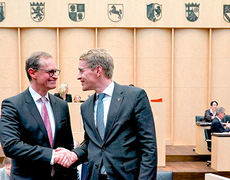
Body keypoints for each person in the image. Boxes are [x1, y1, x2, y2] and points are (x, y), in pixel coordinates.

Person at [61, 48, 158, 179]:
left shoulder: (134, 97)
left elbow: (149, 147)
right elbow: (92, 144)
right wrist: (75, 154)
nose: (78, 76)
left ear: (98, 70)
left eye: (81, 71)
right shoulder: (86, 106)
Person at [0, 51, 77, 179]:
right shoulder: (13, 105)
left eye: (56, 72)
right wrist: (51, 155)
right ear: (32, 73)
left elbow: (68, 146)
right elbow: (11, 146)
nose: (55, 76)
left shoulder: (61, 105)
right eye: (50, 72)